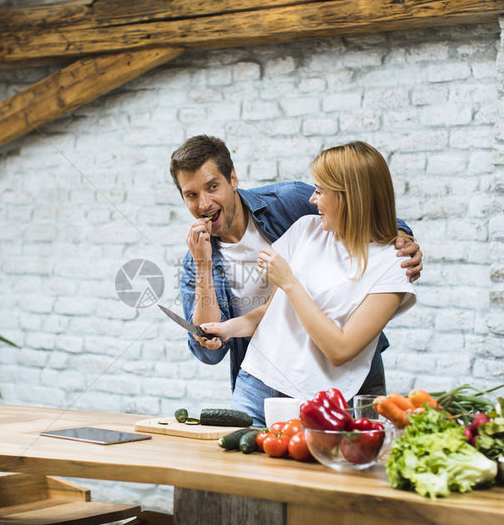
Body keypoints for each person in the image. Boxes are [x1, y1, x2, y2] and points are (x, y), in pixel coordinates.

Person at [170, 135, 421, 397]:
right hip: (266, 378)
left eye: (212, 187)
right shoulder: (195, 262)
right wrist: (202, 264)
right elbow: (210, 352)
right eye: (191, 195)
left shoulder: (289, 201)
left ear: (232, 179)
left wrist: (401, 237)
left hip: (347, 378)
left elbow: (362, 210)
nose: (204, 204)